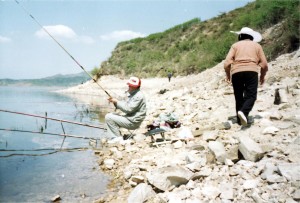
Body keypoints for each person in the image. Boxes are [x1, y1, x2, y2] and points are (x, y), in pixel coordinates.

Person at [224, 27, 268, 126]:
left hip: (236, 72)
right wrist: (262, 75)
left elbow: (227, 63)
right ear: (251, 36)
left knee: (238, 96)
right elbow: (264, 64)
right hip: (251, 71)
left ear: (240, 36)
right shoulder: (257, 46)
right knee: (251, 95)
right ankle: (243, 112)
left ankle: (240, 120)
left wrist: (228, 75)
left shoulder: (235, 45)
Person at [105, 76, 147, 143]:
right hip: (131, 119)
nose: (128, 86)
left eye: (130, 85)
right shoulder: (134, 94)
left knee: (108, 117)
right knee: (111, 114)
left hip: (133, 122)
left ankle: (117, 138)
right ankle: (116, 136)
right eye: (129, 85)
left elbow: (128, 109)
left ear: (135, 87)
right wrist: (115, 102)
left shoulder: (138, 96)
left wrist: (116, 102)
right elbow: (126, 105)